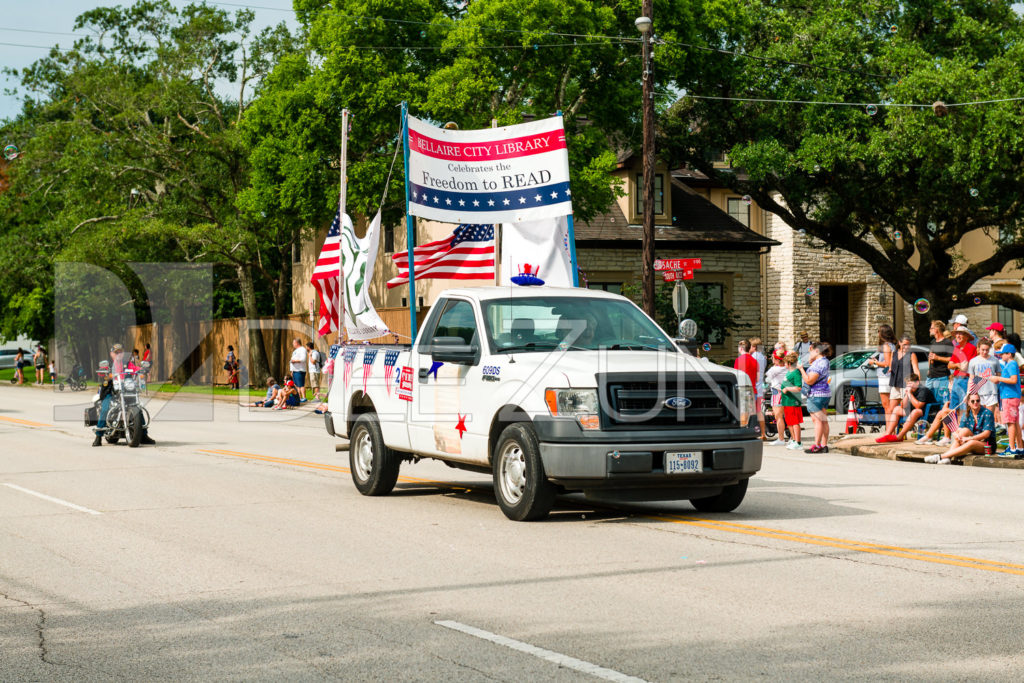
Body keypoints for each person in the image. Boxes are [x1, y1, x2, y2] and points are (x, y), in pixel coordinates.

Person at [93, 343, 155, 447]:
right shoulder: (109, 364)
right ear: (111, 354)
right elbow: (102, 373)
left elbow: (135, 368)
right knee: (105, 408)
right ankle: (98, 436)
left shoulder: (127, 363)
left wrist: (141, 370)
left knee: (138, 408)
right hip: (111, 391)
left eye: (120, 352)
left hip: (126, 389)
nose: (119, 354)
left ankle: (143, 435)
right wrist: (105, 373)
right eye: (116, 352)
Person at [925, 393, 995, 464]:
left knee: (971, 442)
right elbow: (960, 430)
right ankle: (948, 458)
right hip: (971, 441)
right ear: (968, 403)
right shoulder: (967, 413)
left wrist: (969, 438)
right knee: (963, 431)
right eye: (973, 401)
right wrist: (955, 434)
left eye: (978, 401)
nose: (975, 403)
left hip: (987, 445)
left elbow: (986, 434)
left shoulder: (987, 413)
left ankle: (941, 456)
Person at [877, 374, 936, 443]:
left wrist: (910, 394)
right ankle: (887, 434)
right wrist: (907, 394)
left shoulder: (923, 390)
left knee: (915, 411)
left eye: (910, 383)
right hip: (915, 411)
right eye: (907, 384)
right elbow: (903, 406)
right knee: (897, 409)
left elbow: (918, 406)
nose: (909, 386)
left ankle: (900, 436)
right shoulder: (910, 390)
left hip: (928, 412)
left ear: (917, 382)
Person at [989, 344, 1022, 457]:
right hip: (1011, 396)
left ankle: (1012, 449)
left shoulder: (1011, 364)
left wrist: (998, 378)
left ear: (1009, 354)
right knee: (1015, 422)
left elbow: (1013, 380)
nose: (1001, 356)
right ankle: (1020, 447)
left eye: (1002, 354)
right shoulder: (1010, 364)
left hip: (1009, 397)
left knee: (1010, 422)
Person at [799, 342, 831, 453]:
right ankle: (824, 445)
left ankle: (817, 446)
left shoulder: (818, 364)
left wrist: (801, 369)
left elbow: (809, 380)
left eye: (811, 351)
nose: (809, 353)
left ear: (817, 351)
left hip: (815, 394)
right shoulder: (825, 361)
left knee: (817, 421)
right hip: (825, 393)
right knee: (823, 420)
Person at [866, 324, 898, 423]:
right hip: (890, 376)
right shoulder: (893, 345)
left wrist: (873, 362)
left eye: (879, 331)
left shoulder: (886, 346)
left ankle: (889, 430)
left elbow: (887, 364)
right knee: (891, 405)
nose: (878, 334)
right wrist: (878, 361)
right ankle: (891, 430)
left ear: (882, 334)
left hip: (885, 378)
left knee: (886, 405)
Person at [734, 340, 765, 441]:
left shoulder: (738, 360)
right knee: (755, 413)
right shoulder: (754, 360)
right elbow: (757, 378)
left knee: (743, 412)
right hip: (753, 389)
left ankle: (743, 433)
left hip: (743, 389)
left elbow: (736, 376)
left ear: (741, 348)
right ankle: (760, 433)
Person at [925, 320, 954, 420]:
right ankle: (931, 421)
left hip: (942, 377)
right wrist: (929, 367)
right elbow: (931, 355)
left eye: (931, 328)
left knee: (942, 401)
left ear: (936, 330)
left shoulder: (947, 343)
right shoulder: (933, 342)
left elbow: (952, 359)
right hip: (931, 377)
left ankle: (943, 424)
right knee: (927, 398)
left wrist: (938, 358)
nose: (929, 330)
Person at [967, 338, 1000, 419]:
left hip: (991, 392)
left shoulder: (995, 360)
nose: (985, 352)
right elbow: (971, 378)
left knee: (989, 417)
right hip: (978, 392)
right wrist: (969, 392)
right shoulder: (973, 361)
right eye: (983, 350)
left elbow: (999, 376)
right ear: (978, 348)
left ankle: (989, 431)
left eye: (987, 350)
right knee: (978, 417)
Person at [947, 327, 977, 419]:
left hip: (966, 380)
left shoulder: (971, 348)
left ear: (967, 337)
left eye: (961, 333)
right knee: (953, 405)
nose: (958, 336)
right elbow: (949, 365)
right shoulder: (956, 348)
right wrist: (959, 365)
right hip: (956, 379)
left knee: (964, 405)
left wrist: (956, 365)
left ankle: (963, 427)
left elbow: (967, 366)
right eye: (957, 333)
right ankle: (952, 429)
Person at [779, 352, 804, 450]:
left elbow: (798, 388)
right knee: (789, 422)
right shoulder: (789, 372)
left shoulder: (796, 372)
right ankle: (793, 439)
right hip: (787, 401)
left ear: (789, 363)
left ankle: (798, 442)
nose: (784, 364)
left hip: (793, 401)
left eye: (785, 363)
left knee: (795, 422)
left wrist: (787, 389)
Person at [764, 352, 788, 447]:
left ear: (777, 359)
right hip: (787, 392)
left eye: (773, 357)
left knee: (778, 417)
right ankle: (793, 438)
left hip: (777, 392)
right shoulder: (788, 367)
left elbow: (767, 379)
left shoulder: (773, 369)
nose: (771, 358)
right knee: (788, 416)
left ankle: (781, 438)